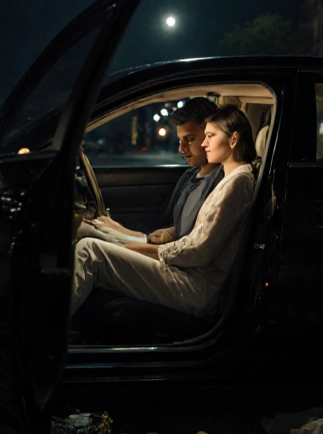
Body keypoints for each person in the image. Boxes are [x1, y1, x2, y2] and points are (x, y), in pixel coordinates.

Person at [71, 105, 258, 320]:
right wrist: (135, 248)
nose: (204, 143)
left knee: (90, 250)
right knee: (93, 244)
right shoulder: (231, 180)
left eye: (210, 136)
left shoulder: (238, 183)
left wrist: (141, 249)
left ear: (233, 140)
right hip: (189, 275)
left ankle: (44, 338)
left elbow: (199, 251)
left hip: (196, 287)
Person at [90, 97, 225, 245]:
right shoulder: (191, 176)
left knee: (89, 246)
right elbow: (170, 229)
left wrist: (122, 239)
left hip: (174, 259)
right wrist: (118, 230)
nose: (181, 149)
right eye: (180, 140)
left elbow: (190, 249)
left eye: (190, 139)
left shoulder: (221, 184)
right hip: (166, 249)